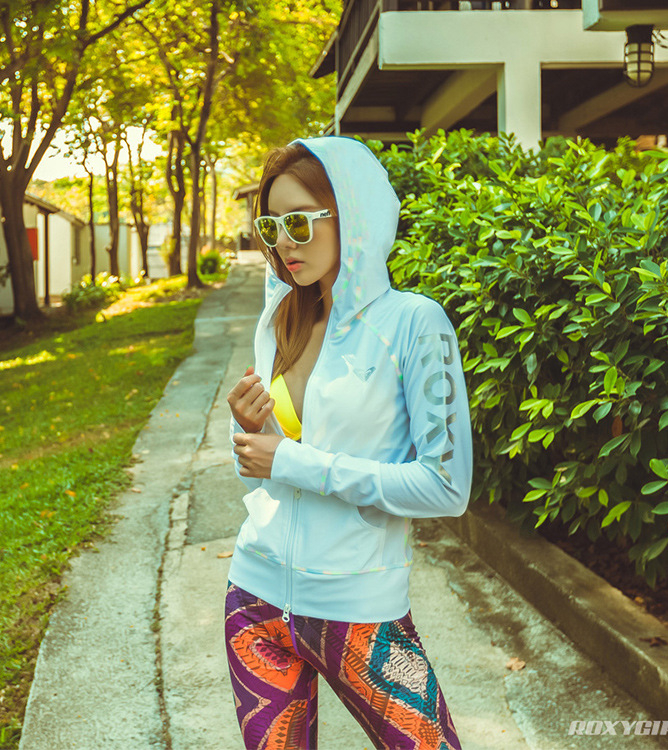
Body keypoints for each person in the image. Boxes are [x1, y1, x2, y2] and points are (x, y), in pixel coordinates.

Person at [225, 135, 472, 750]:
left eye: (300, 222)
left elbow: (446, 487)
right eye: (271, 225)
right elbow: (270, 470)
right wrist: (253, 437)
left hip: (360, 611)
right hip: (253, 604)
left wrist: (291, 460)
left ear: (351, 214)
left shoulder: (414, 323)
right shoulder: (282, 318)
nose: (284, 243)